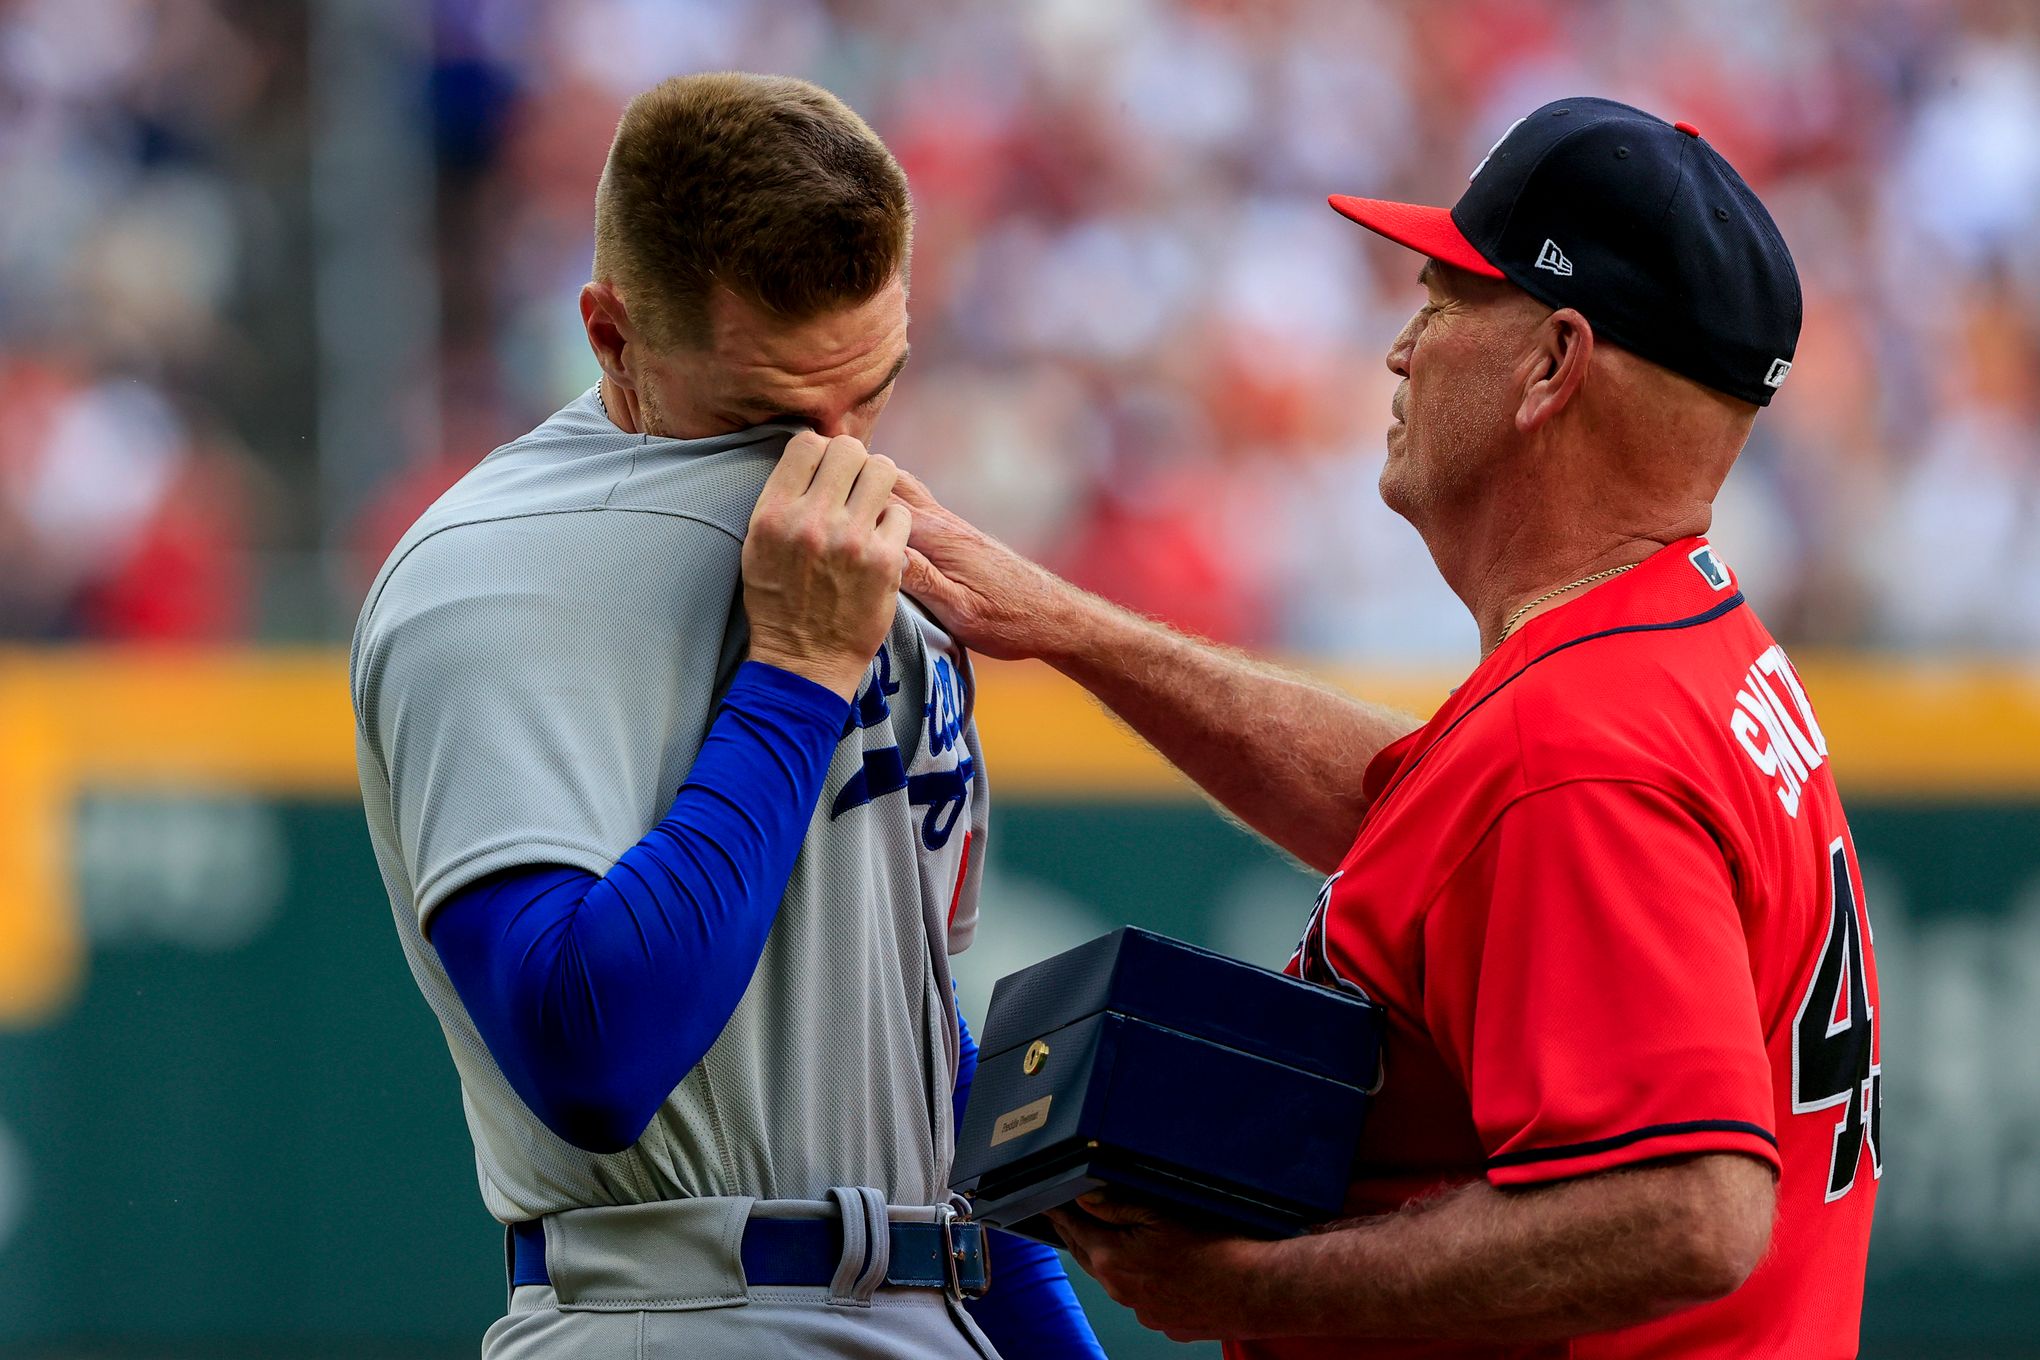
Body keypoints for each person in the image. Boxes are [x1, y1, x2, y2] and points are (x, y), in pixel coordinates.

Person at [896, 97, 1879, 1358]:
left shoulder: (1577, 747)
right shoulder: (1679, 642)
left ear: (1553, 366)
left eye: (1446, 300)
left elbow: (1691, 1214)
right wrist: (1074, 631)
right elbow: (1436, 809)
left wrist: (1248, 1292)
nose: (1401, 349)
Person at [351, 72, 1102, 1360]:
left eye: (871, 391)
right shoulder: (493, 568)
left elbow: (915, 1063)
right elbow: (592, 1051)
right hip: (684, 1308)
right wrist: (799, 676)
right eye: (769, 414)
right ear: (611, 338)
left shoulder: (892, 574)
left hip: (933, 1306)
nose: (835, 458)